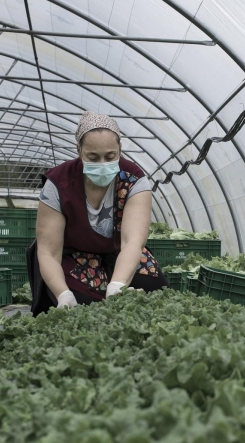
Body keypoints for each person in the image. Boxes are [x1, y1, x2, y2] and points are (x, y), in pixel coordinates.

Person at [28, 111, 169, 315]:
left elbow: (132, 242)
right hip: (74, 257)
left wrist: (117, 286)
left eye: (110, 156)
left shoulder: (134, 180)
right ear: (79, 150)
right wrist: (63, 294)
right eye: (93, 157)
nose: (103, 164)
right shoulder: (58, 183)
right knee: (81, 301)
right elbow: (48, 252)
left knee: (151, 285)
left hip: (119, 253)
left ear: (120, 149)